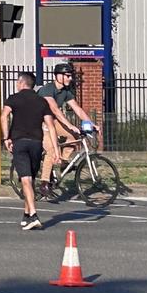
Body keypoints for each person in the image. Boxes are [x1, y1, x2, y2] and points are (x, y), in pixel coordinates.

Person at [36, 63, 99, 198]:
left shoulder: (65, 92)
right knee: (52, 149)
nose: (70, 78)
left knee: (74, 135)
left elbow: (78, 109)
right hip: (39, 122)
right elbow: (54, 109)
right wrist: (69, 124)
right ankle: (44, 183)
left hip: (53, 121)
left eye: (70, 76)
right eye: (67, 76)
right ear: (58, 76)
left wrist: (91, 124)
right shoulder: (47, 89)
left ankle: (64, 162)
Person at [1, 71, 53, 231]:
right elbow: (50, 125)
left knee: (25, 179)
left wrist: (6, 137)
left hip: (20, 142)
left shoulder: (13, 98)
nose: (16, 85)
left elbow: (4, 116)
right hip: (37, 143)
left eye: (17, 82)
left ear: (22, 83)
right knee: (30, 179)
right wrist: (55, 148)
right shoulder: (42, 101)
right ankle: (26, 214)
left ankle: (34, 215)